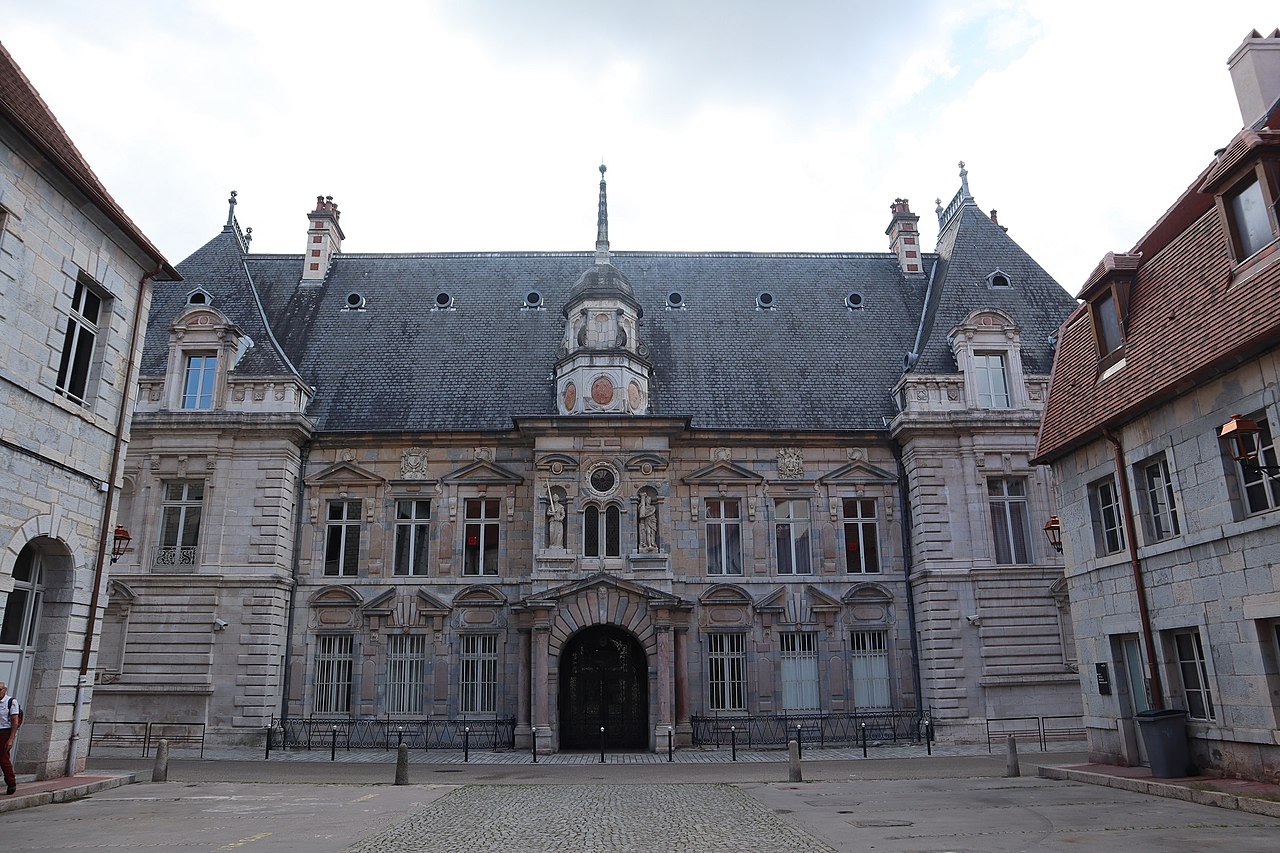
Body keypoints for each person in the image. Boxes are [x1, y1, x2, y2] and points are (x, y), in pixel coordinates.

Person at [0, 681, 21, 795]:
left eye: (0, 690)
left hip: (4, 732)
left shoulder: (10, 702)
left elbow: (15, 722)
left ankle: (11, 783)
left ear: (5, 690)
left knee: (3, 759)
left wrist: (11, 739)